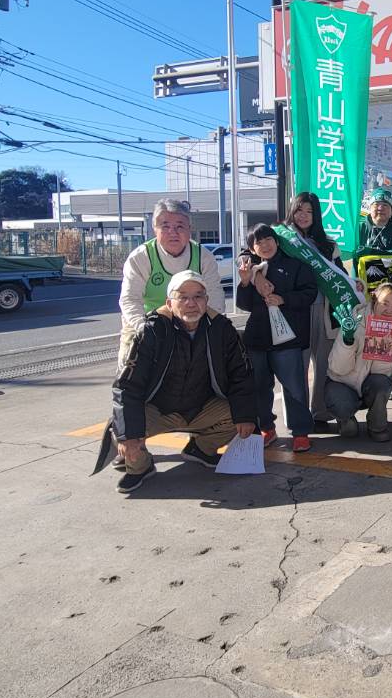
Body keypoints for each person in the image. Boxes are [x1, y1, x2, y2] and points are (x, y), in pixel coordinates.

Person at [95, 270, 257, 493]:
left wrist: (246, 416)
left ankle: (200, 449)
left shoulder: (221, 329)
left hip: (201, 408)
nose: (191, 303)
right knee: (120, 428)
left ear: (206, 301)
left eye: (198, 296)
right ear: (169, 303)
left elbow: (241, 374)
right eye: (183, 297)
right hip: (158, 410)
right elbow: (127, 386)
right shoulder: (151, 331)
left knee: (242, 415)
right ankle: (140, 467)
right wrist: (128, 435)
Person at [235, 223, 318, 452]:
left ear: (277, 241)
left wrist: (284, 299)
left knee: (294, 387)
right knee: (260, 387)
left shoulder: (295, 265)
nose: (265, 245)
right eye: (258, 243)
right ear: (252, 248)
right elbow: (244, 305)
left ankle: (300, 432)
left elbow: (309, 293)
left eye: (268, 239)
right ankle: (266, 428)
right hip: (258, 339)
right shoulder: (252, 270)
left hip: (288, 339)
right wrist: (245, 282)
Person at [117, 198, 226, 366]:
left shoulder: (204, 257)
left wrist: (210, 328)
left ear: (190, 229)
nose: (173, 232)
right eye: (165, 226)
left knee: (216, 358)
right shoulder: (140, 257)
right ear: (155, 229)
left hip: (192, 320)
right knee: (130, 362)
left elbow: (215, 296)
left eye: (180, 226)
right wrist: (145, 330)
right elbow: (129, 299)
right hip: (148, 320)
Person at [286, 192, 346, 431]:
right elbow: (255, 246)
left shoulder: (328, 244)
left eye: (309, 211)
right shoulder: (282, 238)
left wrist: (355, 285)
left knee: (323, 365)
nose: (303, 216)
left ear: (317, 215)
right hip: (293, 311)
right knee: (295, 367)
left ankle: (320, 414)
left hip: (324, 310)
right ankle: (298, 418)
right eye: (299, 210)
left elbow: (341, 276)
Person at [325, 283, 392, 442]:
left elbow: (383, 374)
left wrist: (384, 348)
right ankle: (345, 419)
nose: (389, 310)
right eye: (384, 303)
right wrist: (348, 341)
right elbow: (337, 369)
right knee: (346, 421)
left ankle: (377, 426)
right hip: (343, 382)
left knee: (382, 384)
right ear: (374, 301)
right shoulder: (354, 320)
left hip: (369, 385)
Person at [354, 186, 392, 264]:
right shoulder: (358, 229)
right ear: (370, 208)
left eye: (385, 205)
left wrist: (370, 252)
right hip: (359, 272)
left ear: (391, 211)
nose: (380, 208)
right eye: (376, 204)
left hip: (388, 272)